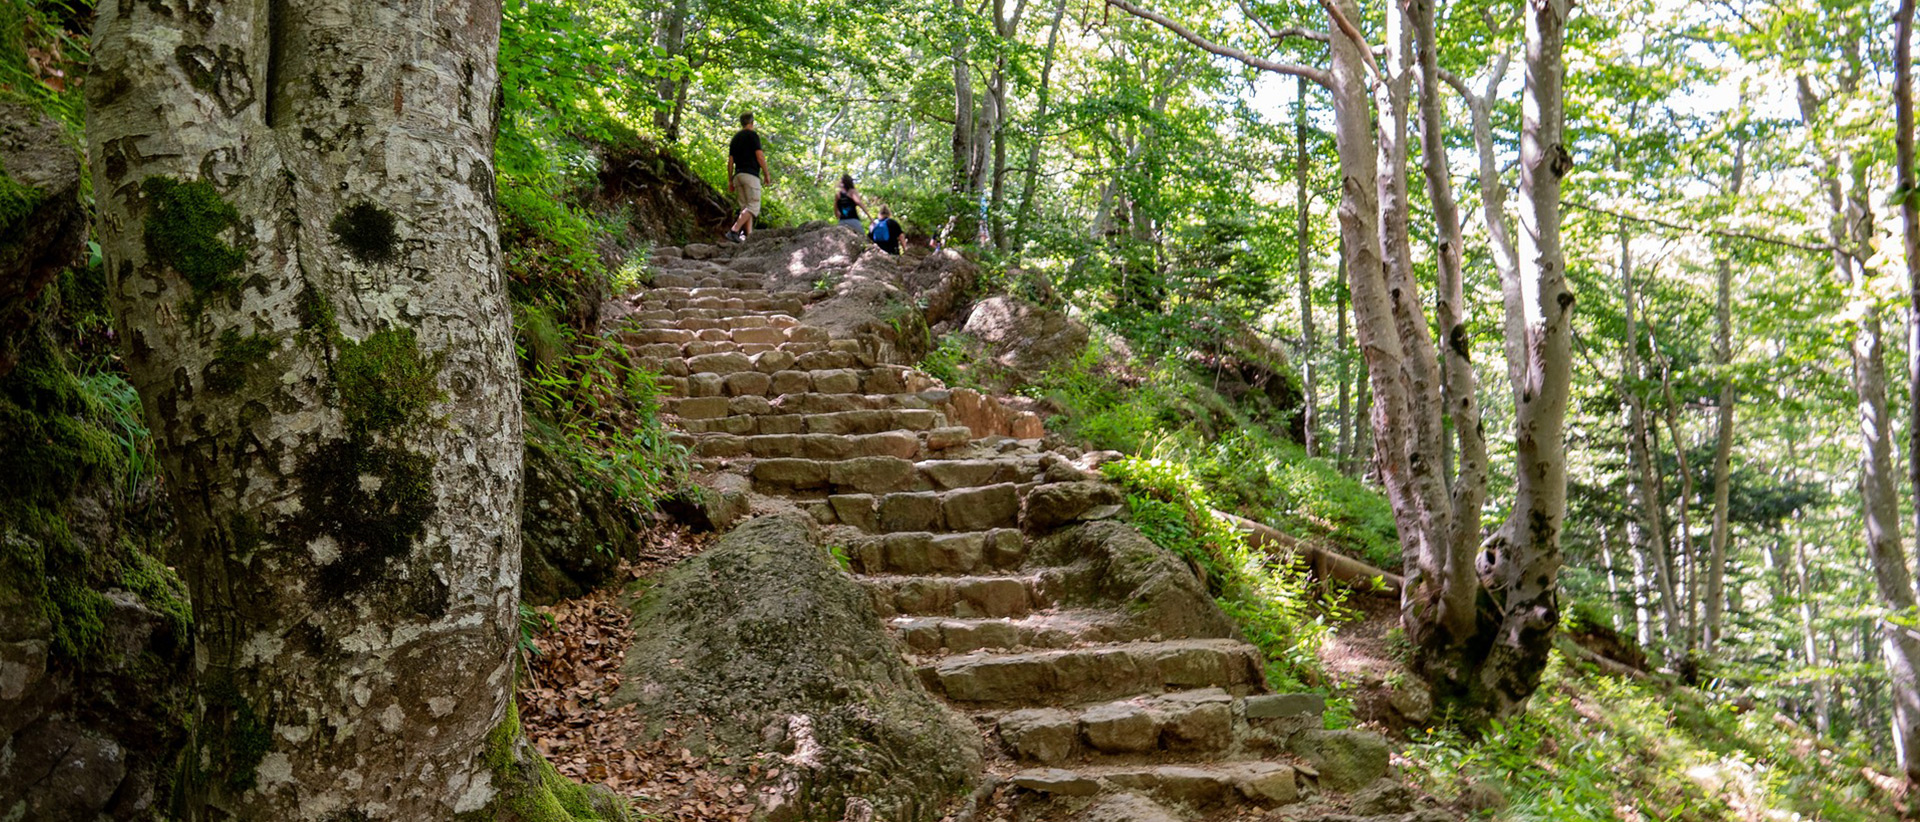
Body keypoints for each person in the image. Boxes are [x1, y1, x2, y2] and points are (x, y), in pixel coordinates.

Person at [725, 113, 770, 243]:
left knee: (745, 208)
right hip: (750, 175)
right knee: (754, 205)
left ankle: (748, 238)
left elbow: (730, 161)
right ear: (752, 122)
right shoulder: (752, 135)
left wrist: (730, 180)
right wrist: (766, 174)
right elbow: (759, 156)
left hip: (738, 176)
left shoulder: (735, 138)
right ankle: (734, 231)